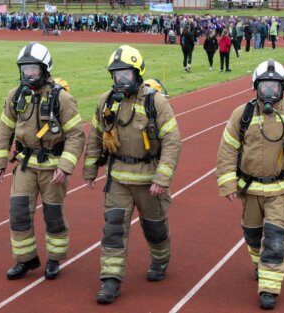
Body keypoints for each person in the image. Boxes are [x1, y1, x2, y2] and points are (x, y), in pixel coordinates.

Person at [216, 59, 284, 310]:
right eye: (265, 86)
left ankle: (269, 288)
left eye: (275, 86)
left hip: (280, 190)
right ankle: (259, 264)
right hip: (250, 190)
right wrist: (228, 183)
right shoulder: (242, 115)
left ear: (283, 88)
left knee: (274, 238)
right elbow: (227, 150)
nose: (269, 92)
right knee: (252, 235)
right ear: (256, 87)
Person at [82, 45, 181, 304]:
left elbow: (172, 141)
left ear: (137, 74)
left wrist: (162, 178)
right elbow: (94, 136)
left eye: (126, 74)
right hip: (118, 179)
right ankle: (110, 280)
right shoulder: (106, 102)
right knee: (113, 229)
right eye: (117, 74)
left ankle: (160, 261)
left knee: (155, 227)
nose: (121, 79)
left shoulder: (156, 102)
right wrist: (91, 168)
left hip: (149, 179)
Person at [0, 42, 85, 280]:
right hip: (24, 165)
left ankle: (54, 260)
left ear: (45, 69)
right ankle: (25, 260)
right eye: (24, 69)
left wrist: (65, 167)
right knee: (19, 213)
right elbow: (5, 130)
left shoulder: (62, 99)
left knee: (53, 216)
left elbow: (76, 135)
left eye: (33, 69)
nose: (28, 74)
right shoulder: (15, 96)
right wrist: (0, 162)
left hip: (53, 168)